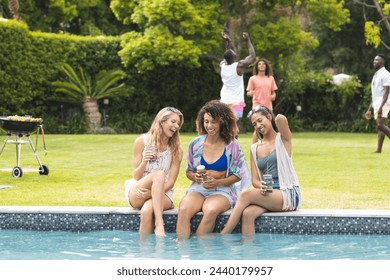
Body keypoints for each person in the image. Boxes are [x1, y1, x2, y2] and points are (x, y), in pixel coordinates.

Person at [176, 100, 251, 240]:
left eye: (213, 122)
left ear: (223, 122)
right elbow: (189, 171)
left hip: (223, 190)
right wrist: (196, 178)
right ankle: (182, 249)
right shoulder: (196, 144)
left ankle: (198, 248)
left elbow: (238, 175)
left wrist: (218, 182)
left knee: (210, 210)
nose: (209, 126)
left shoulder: (232, 145)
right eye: (206, 121)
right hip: (198, 189)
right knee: (184, 210)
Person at [221, 106, 301, 235]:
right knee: (247, 214)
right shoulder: (254, 148)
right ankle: (249, 252)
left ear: (269, 117)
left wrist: (267, 110)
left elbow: (281, 119)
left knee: (246, 194)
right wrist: (261, 185)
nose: (258, 125)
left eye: (260, 120)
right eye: (254, 124)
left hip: (287, 193)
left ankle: (223, 234)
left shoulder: (283, 140)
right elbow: (255, 180)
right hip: (268, 192)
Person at [124, 107, 184, 238]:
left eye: (178, 123)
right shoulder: (142, 142)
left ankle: (146, 251)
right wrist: (144, 161)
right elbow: (136, 176)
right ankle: (160, 224)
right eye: (173, 122)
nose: (176, 126)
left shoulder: (176, 150)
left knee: (146, 211)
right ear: (161, 121)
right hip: (139, 191)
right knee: (159, 174)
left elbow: (171, 182)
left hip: (165, 193)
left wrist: (152, 193)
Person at [220, 31, 256, 133]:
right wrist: (248, 40)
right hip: (237, 101)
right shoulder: (239, 66)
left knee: (226, 125)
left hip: (225, 100)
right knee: (235, 125)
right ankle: (233, 146)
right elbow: (252, 56)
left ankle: (226, 146)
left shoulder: (222, 65)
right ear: (234, 57)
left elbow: (227, 53)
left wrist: (228, 41)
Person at [247, 58, 278, 143]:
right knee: (257, 127)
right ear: (257, 67)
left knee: (271, 126)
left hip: (268, 106)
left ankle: (271, 144)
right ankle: (254, 146)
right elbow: (248, 93)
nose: (261, 65)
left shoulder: (270, 78)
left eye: (263, 64)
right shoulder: (252, 79)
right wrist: (251, 93)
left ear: (266, 66)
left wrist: (273, 96)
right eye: (259, 64)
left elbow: (273, 93)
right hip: (257, 106)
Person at [365, 54, 390, 153]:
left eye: (377, 60)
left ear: (382, 62)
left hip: (384, 103)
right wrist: (369, 108)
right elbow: (374, 94)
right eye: (374, 60)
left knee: (380, 125)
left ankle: (378, 150)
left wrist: (381, 106)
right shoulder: (376, 74)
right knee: (381, 126)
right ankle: (378, 150)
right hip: (377, 103)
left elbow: (386, 92)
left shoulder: (386, 74)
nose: (374, 61)